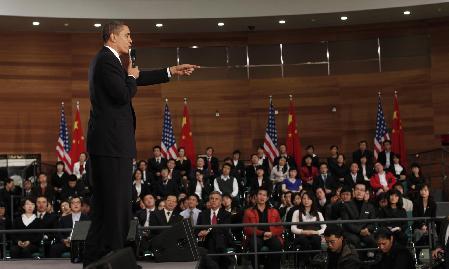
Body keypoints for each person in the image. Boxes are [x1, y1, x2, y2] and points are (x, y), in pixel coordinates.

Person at [84, 21, 198, 267]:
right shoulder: (105, 60)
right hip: (111, 146)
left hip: (109, 145)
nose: (131, 40)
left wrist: (170, 71)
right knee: (115, 209)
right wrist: (132, 78)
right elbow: (123, 93)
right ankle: (116, 261)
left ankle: (94, 261)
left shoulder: (109, 60)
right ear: (113, 37)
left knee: (106, 209)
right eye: (127, 35)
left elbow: (132, 79)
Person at [243, 187, 283, 269]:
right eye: (260, 194)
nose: (262, 197)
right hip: (256, 236)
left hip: (271, 235)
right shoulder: (248, 211)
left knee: (277, 244)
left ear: (267, 198)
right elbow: (247, 229)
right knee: (254, 245)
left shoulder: (274, 211)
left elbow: (280, 228)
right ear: (256, 196)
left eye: (264, 195)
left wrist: (272, 233)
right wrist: (263, 233)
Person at [196, 191, 234, 269]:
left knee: (217, 238)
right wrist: (200, 232)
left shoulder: (226, 214)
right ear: (209, 201)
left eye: (216, 199)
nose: (213, 200)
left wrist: (208, 231)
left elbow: (224, 229)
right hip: (206, 242)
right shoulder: (202, 214)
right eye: (212, 198)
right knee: (212, 241)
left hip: (222, 241)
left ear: (220, 202)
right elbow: (196, 230)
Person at [291, 191, 326, 265]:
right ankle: (305, 263)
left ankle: (315, 262)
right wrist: (303, 232)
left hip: (315, 235)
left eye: (309, 199)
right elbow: (293, 228)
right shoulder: (296, 212)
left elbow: (324, 228)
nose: (306, 200)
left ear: (312, 200)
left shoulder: (318, 213)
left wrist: (316, 232)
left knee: (316, 239)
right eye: (304, 198)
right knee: (304, 241)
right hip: (301, 236)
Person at [340, 182, 377, 251]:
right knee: (355, 240)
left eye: (362, 190)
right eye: (357, 189)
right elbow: (346, 223)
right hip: (350, 232)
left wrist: (367, 229)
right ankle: (358, 259)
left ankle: (371, 258)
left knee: (372, 239)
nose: (359, 192)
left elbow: (372, 223)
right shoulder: (346, 205)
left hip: (365, 231)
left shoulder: (370, 206)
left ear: (365, 193)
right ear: (353, 191)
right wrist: (359, 231)